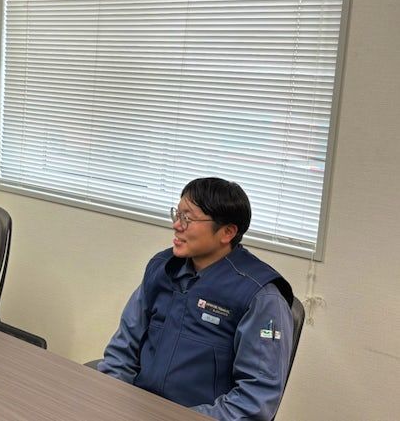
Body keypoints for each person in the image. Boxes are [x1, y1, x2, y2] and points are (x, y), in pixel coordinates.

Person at [98, 177, 294, 421]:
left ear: (227, 232)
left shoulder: (261, 297)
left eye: (188, 218)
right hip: (137, 409)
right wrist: (112, 399)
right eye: (177, 214)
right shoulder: (162, 268)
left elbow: (255, 400)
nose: (176, 225)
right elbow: (122, 350)